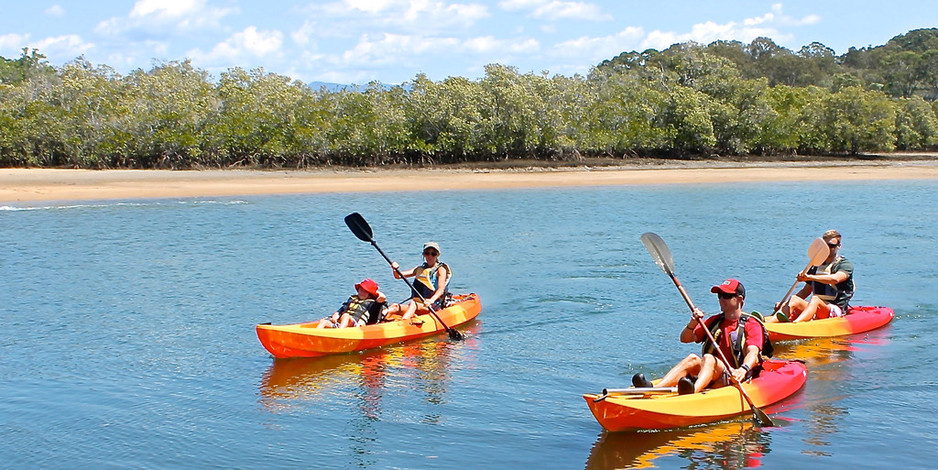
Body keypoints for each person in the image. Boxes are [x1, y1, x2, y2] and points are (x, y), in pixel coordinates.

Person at [632, 279, 768, 395]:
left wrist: (742, 370)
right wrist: (693, 322)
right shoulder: (715, 321)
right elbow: (685, 338)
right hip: (712, 372)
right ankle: (654, 389)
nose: (721, 299)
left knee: (708, 358)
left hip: (734, 376)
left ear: (739, 299)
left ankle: (693, 391)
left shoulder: (751, 324)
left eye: (726, 295)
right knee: (693, 358)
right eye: (719, 295)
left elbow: (753, 352)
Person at [767, 230, 855, 323]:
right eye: (825, 246)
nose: (828, 249)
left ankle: (796, 325)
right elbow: (806, 291)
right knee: (794, 299)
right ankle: (769, 323)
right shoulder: (815, 265)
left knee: (815, 299)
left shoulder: (844, 264)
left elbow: (836, 279)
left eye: (831, 246)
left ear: (839, 246)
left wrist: (810, 277)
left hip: (836, 309)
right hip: (818, 307)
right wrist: (786, 304)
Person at [385, 242, 451, 323]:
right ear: (424, 254)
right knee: (394, 307)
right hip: (418, 305)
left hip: (432, 306)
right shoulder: (419, 269)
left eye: (433, 254)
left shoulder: (440, 270)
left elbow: (441, 289)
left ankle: (403, 325)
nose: (430, 256)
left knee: (413, 304)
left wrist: (431, 300)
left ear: (438, 255)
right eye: (427, 253)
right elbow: (398, 276)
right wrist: (395, 269)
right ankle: (378, 323)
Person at [316, 278, 387, 328]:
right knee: (323, 321)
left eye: (365, 291)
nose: (362, 292)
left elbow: (382, 297)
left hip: (356, 326)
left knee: (346, 316)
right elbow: (341, 310)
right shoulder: (352, 299)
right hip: (343, 323)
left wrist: (374, 292)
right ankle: (315, 337)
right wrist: (336, 314)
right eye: (361, 290)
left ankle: (339, 334)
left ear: (370, 294)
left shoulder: (372, 304)